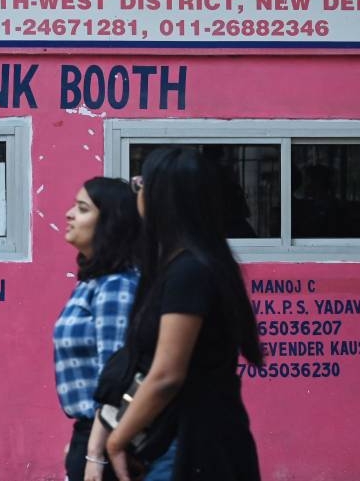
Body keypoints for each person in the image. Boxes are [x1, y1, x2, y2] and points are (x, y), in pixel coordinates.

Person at [104, 147, 264, 481]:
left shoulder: (189, 272)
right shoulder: (183, 265)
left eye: (141, 184)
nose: (137, 192)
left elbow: (166, 375)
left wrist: (116, 442)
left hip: (193, 445)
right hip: (179, 440)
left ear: (163, 196)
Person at [53, 177, 141, 481]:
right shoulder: (92, 283)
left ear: (109, 224)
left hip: (108, 435)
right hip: (89, 431)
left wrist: (94, 453)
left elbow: (115, 379)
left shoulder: (116, 286)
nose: (69, 214)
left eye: (82, 208)